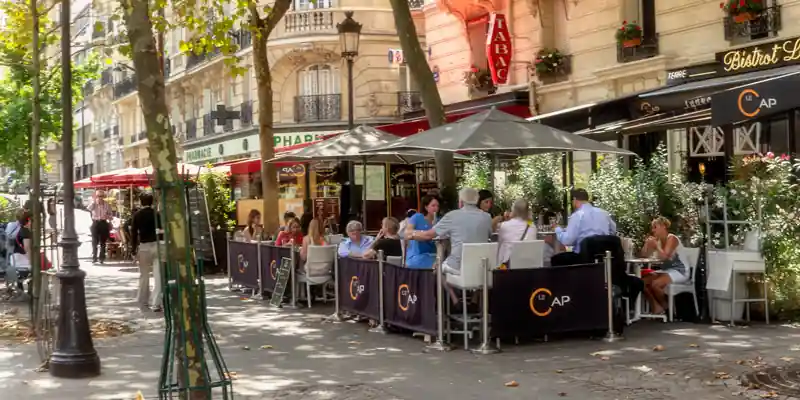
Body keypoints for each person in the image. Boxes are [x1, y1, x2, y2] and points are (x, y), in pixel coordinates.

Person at [412, 188, 493, 276]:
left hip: (457, 267)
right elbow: (489, 235)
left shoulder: (452, 215)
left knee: (437, 268)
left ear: (461, 201)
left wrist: (411, 234)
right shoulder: (487, 217)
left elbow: (428, 235)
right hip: (481, 267)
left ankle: (448, 290)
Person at [640, 217, 690, 315]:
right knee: (641, 283)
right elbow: (644, 256)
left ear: (663, 227)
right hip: (666, 271)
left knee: (655, 284)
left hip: (680, 270)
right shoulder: (658, 240)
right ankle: (657, 306)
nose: (653, 230)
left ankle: (666, 308)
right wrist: (646, 245)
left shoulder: (672, 238)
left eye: (655, 227)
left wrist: (657, 246)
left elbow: (664, 257)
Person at [554, 188, 616, 253]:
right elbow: (613, 230)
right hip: (603, 256)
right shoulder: (604, 213)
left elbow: (568, 241)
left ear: (574, 199)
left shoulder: (577, 215)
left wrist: (557, 229)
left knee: (556, 259)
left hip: (583, 258)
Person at [131, 193, 162, 311]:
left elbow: (134, 233)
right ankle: (156, 302)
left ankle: (143, 300)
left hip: (143, 247)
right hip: (157, 245)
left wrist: (133, 249)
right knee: (158, 275)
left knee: (144, 275)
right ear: (152, 202)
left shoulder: (137, 215)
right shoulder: (157, 214)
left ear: (140, 202)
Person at [497, 199, 544, 265]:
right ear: (527, 211)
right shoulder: (532, 226)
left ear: (513, 210)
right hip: (529, 265)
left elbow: (499, 244)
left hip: (509, 266)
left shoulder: (504, 225)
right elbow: (530, 221)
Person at [404, 196, 439, 269]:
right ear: (426, 207)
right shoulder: (417, 217)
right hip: (418, 255)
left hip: (434, 255)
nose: (436, 208)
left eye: (437, 206)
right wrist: (424, 234)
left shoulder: (439, 221)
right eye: (433, 205)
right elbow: (407, 232)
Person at [88, 189, 112, 263]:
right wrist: (94, 202)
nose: (100, 198)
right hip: (95, 222)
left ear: (103, 196)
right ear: (96, 196)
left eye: (101, 196)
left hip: (103, 223)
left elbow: (111, 215)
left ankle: (101, 258)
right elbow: (88, 208)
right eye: (98, 196)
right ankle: (94, 257)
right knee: (94, 241)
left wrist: (107, 216)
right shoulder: (94, 203)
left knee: (103, 242)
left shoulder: (107, 204)